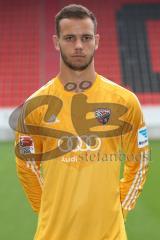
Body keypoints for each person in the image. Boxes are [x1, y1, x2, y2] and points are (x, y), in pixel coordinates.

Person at [15, 4, 149, 240]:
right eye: (70, 38)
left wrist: (122, 207)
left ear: (96, 41)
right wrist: (50, 209)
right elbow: (27, 166)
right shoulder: (34, 107)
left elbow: (139, 160)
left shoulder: (125, 102)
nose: (78, 46)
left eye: (86, 38)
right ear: (56, 42)